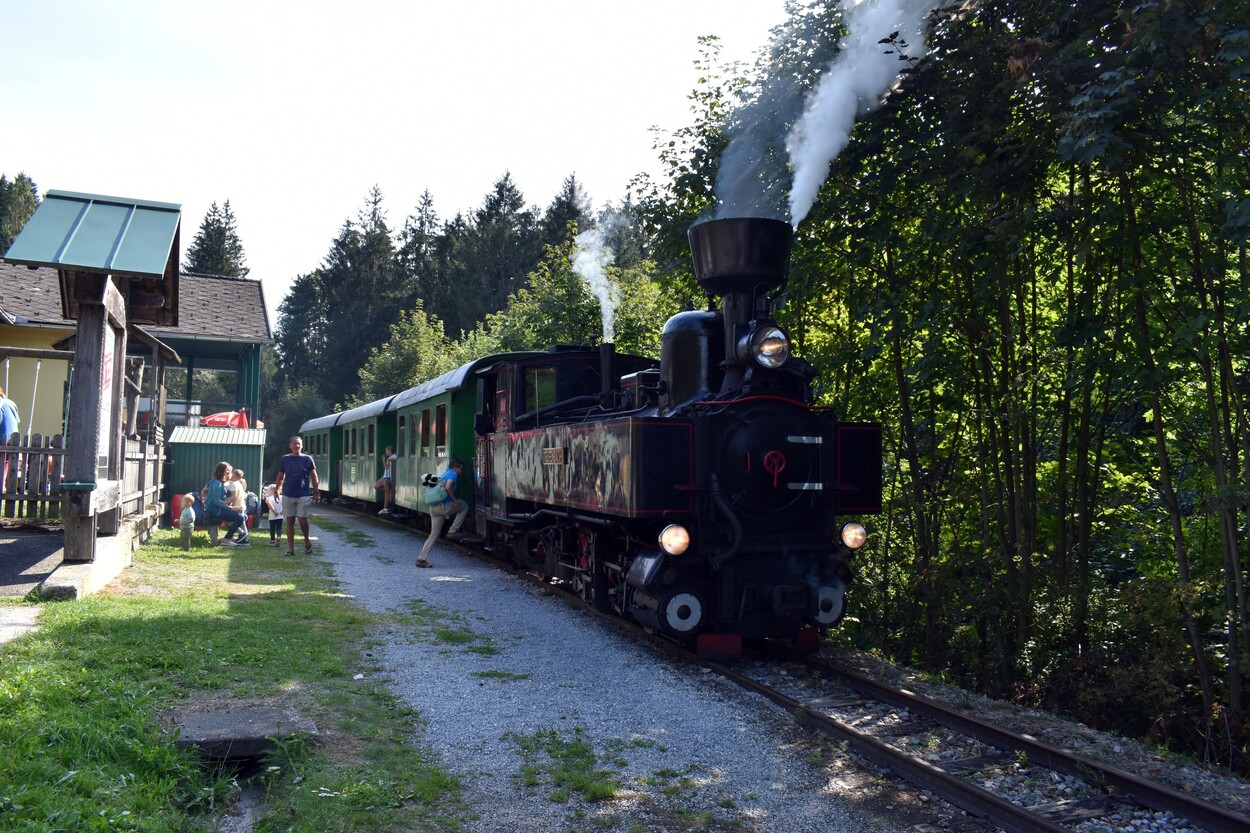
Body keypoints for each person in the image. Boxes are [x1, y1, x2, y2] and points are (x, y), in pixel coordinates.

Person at [416, 458, 468, 568]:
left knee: (434, 534)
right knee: (464, 506)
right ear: (455, 468)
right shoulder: (453, 474)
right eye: (461, 469)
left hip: (433, 508)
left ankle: (421, 559)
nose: (461, 471)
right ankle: (452, 531)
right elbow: (448, 486)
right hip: (444, 507)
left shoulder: (444, 474)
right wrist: (454, 500)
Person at [275, 435, 318, 557]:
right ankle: (290, 548)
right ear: (290, 446)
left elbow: (314, 476)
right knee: (289, 521)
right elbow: (281, 476)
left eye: (299, 443)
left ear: (302, 446)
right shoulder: (285, 459)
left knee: (302, 520)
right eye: (294, 443)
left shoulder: (307, 459)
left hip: (303, 494)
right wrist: (277, 489)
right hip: (288, 494)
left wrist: (315, 492)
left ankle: (307, 540)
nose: (297, 445)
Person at [205, 461, 248, 547]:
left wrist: (229, 505)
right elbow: (216, 501)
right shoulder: (217, 484)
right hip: (214, 510)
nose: (231, 474)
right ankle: (227, 539)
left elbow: (219, 500)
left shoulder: (216, 482)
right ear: (225, 472)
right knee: (239, 518)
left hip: (216, 509)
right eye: (229, 471)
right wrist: (231, 508)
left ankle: (236, 536)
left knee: (242, 516)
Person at [0, 387, 18, 493]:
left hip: (1, 439)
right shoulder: (11, 403)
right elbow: (15, 421)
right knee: (5, 464)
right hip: (12, 440)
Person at [228, 468, 250, 545]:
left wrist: (226, 502)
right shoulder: (238, 483)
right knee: (242, 522)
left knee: (230, 521)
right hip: (242, 505)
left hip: (237, 507)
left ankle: (243, 534)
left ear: (234, 475)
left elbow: (234, 497)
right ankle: (245, 538)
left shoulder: (234, 484)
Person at [375, 445, 397, 515]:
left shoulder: (392, 457)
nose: (385, 452)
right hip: (385, 476)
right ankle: (387, 491)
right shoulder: (392, 457)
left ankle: (385, 508)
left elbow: (386, 466)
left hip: (388, 477)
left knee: (386, 493)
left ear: (390, 451)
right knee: (376, 486)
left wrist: (383, 460)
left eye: (386, 450)